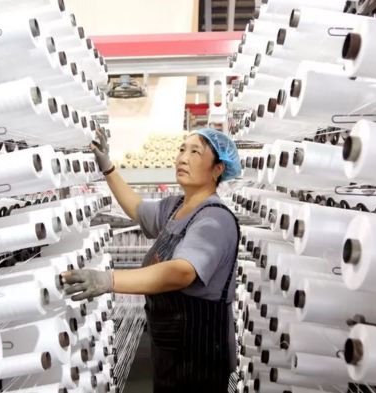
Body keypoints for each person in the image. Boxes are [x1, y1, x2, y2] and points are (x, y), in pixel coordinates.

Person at [61, 128, 242, 393]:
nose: (183, 158)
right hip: (170, 344)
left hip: (200, 352)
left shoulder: (214, 220)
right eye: (182, 149)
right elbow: (136, 208)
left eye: (195, 152)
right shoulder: (176, 207)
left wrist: (109, 280)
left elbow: (181, 273)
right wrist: (108, 169)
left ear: (218, 169)